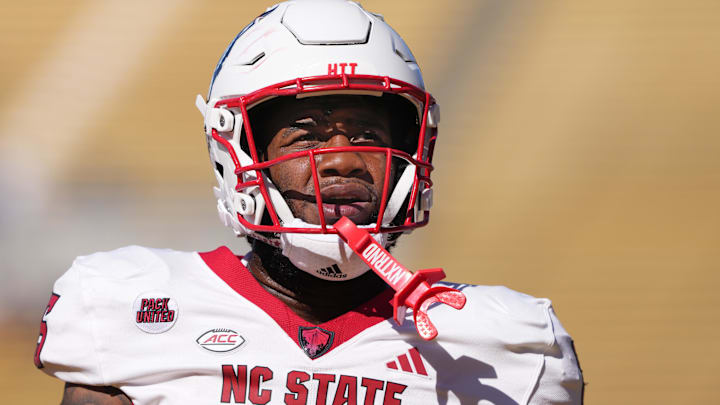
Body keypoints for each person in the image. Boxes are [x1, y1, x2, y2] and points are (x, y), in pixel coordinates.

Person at [34, 1, 584, 404]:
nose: (343, 159)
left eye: (368, 135)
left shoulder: (508, 345)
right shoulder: (129, 306)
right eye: (307, 136)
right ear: (239, 154)